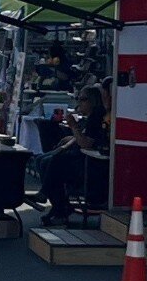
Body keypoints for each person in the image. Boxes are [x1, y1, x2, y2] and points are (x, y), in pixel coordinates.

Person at [35, 84, 106, 225]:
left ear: (93, 100)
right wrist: (70, 138)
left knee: (55, 160)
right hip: (81, 157)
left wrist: (73, 126)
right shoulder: (88, 118)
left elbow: (86, 143)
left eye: (83, 99)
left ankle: (53, 201)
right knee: (42, 159)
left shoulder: (96, 117)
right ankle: (58, 206)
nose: (79, 102)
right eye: (78, 99)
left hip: (89, 163)